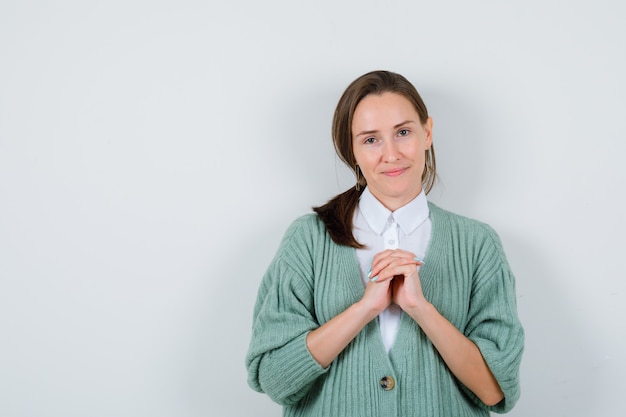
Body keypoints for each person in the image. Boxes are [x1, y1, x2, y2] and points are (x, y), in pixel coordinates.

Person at [245, 70, 524, 416]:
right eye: (371, 140)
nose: (391, 155)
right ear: (352, 150)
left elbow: (496, 391)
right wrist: (365, 309)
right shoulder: (308, 239)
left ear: (428, 133)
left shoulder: (477, 244)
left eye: (403, 132)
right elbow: (274, 379)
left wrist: (421, 309)